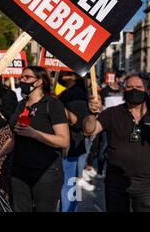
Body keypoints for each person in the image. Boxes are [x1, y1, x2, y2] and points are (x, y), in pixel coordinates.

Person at [0, 66, 70, 212]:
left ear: (39, 82)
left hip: (46, 172)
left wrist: (35, 134)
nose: (22, 80)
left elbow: (64, 140)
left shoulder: (52, 104)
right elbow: (15, 137)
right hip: (20, 171)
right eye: (21, 77)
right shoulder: (21, 105)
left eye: (26, 77)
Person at [83, 73, 150, 212]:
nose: (134, 90)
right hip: (116, 181)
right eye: (129, 87)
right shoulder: (112, 113)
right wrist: (92, 113)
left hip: (147, 183)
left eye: (139, 87)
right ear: (123, 89)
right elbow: (90, 130)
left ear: (148, 90)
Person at [57, 71, 91, 212]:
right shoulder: (67, 93)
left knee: (69, 185)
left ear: (75, 76)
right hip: (68, 146)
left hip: (71, 147)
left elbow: (79, 124)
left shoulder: (77, 95)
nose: (61, 73)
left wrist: (58, 106)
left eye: (66, 72)